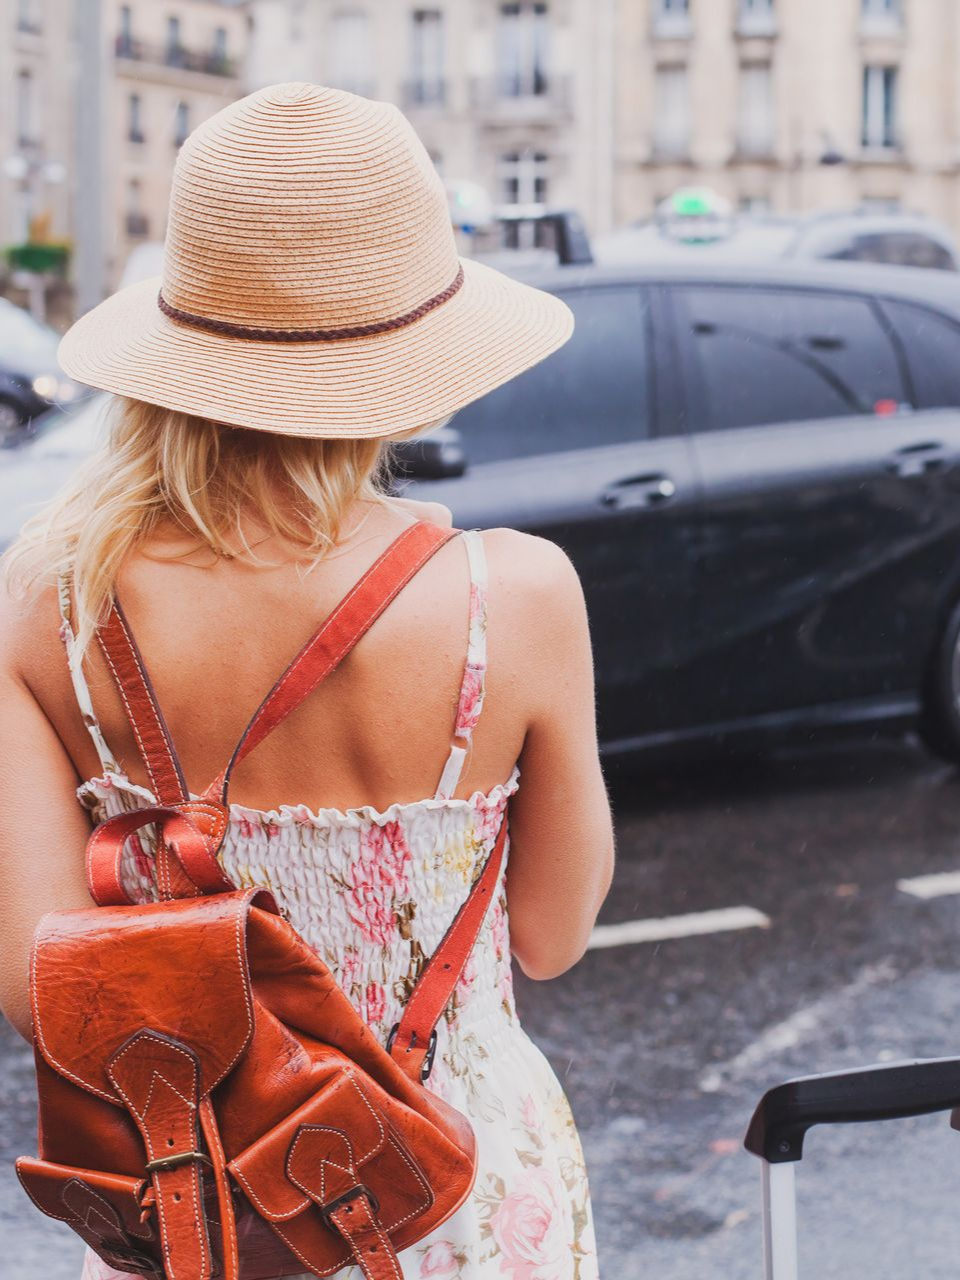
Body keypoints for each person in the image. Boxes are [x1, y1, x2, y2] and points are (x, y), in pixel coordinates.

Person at [0, 82, 614, 1279]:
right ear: (415, 345)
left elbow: (38, 986)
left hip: (201, 1214)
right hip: (458, 1193)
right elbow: (552, 931)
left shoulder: (48, 605)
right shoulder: (516, 597)